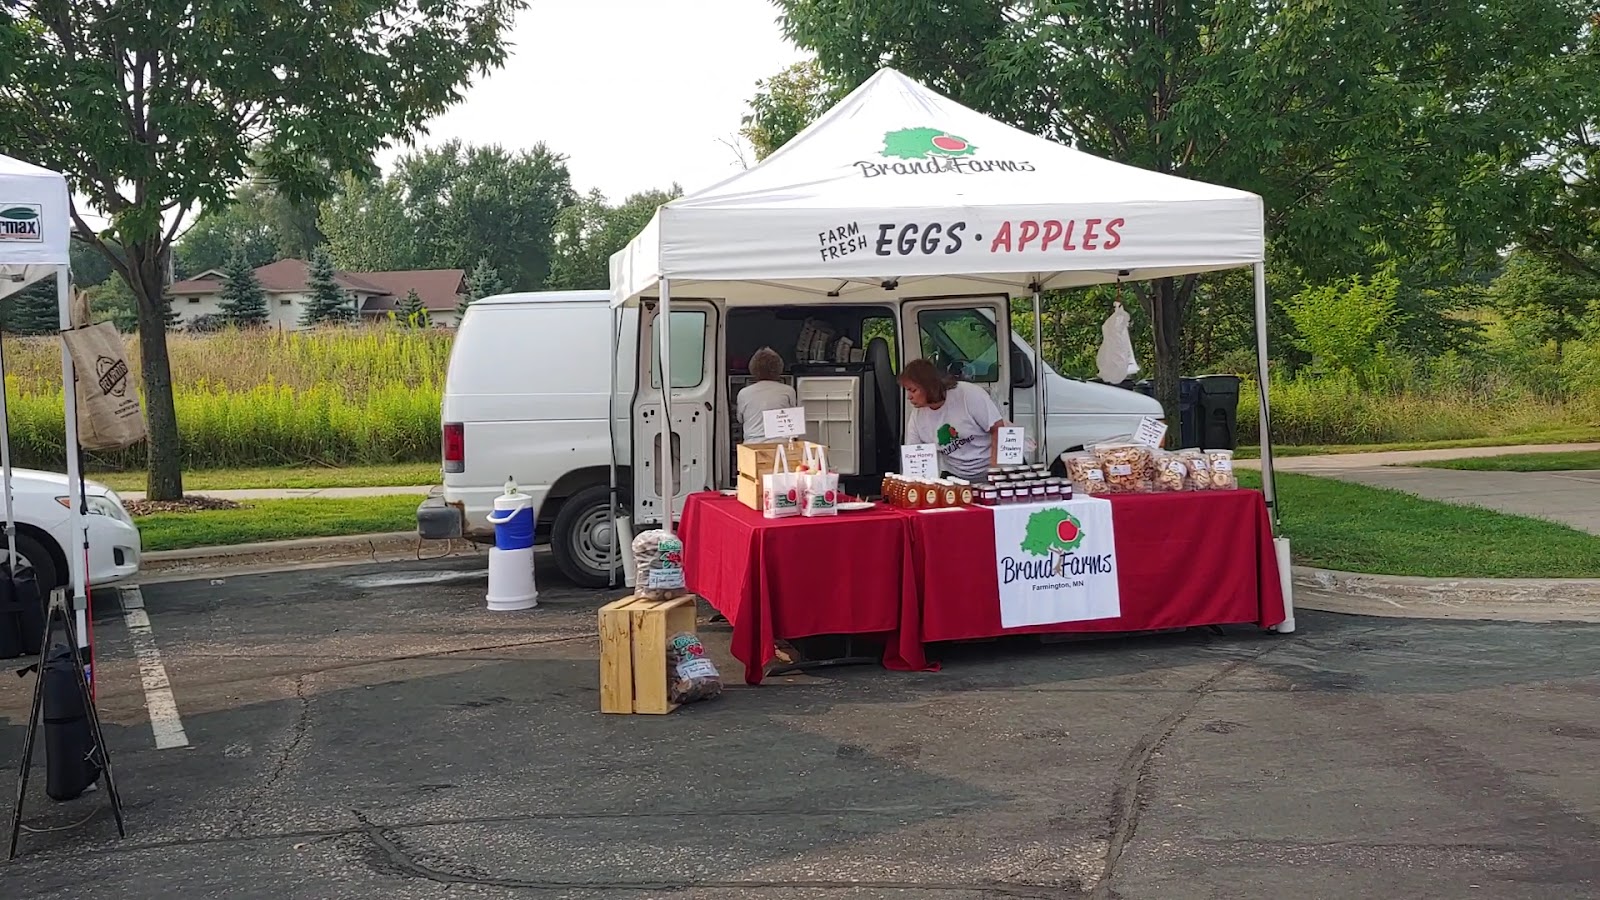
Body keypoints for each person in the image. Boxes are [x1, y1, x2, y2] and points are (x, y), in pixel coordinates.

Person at [898, 358, 1007, 480]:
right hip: (954, 476)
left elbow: (998, 429)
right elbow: (915, 456)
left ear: (929, 387)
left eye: (913, 390)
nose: (909, 397)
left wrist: (995, 470)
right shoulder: (916, 417)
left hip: (988, 470)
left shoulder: (968, 395)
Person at [737, 347, 798, 443]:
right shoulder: (788, 391)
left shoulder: (744, 393)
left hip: (752, 443)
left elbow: (740, 419)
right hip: (780, 444)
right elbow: (792, 419)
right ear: (779, 368)